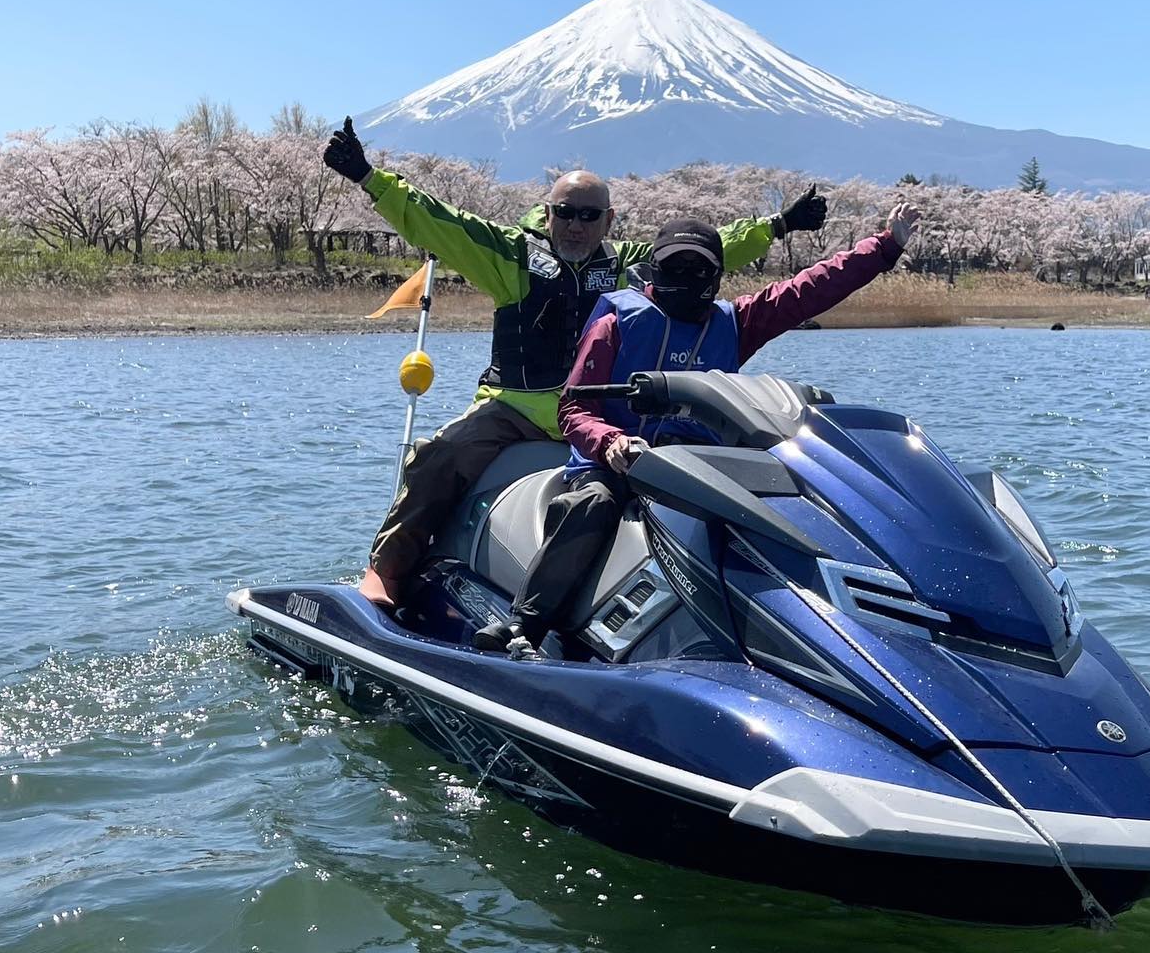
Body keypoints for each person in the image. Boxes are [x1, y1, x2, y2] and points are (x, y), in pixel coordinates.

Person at [322, 118, 829, 606]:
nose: (575, 225)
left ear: (608, 221)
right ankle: (387, 570)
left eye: (589, 215)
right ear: (548, 215)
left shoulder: (629, 266)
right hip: (514, 410)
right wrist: (370, 178)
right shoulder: (511, 255)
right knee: (442, 455)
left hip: (597, 421)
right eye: (565, 212)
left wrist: (780, 223)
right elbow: (442, 223)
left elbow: (713, 247)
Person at [475, 203, 923, 654]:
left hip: (701, 468)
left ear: (716, 276)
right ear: (655, 268)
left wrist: (886, 246)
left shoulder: (735, 323)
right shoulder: (615, 324)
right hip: (618, 463)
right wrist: (609, 442)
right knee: (593, 503)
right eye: (676, 265)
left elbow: (810, 289)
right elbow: (574, 408)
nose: (687, 276)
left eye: (699, 267)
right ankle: (524, 625)